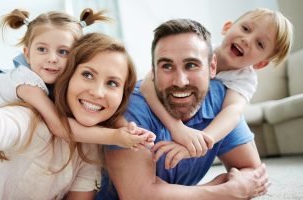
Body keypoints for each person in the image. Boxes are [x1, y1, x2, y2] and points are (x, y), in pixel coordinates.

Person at [0, 0, 154, 198]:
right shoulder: (28, 91)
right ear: (27, 53)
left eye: (62, 52)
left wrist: (127, 128)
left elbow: (146, 86)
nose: (52, 58)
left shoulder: (87, 136)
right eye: (88, 75)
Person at [96, 19, 269, 199]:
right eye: (167, 66)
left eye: (192, 65)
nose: (180, 81)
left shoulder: (224, 101)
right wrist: (223, 191)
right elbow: (139, 195)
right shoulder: (131, 107)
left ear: (212, 67)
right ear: (153, 71)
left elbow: (253, 173)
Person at [139, 8, 293, 166]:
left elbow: (232, 112)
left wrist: (198, 142)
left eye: (260, 44)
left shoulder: (244, 78)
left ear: (260, 63)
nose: (247, 40)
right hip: (166, 110)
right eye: (246, 29)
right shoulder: (200, 48)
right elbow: (146, 83)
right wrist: (177, 128)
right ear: (227, 27)